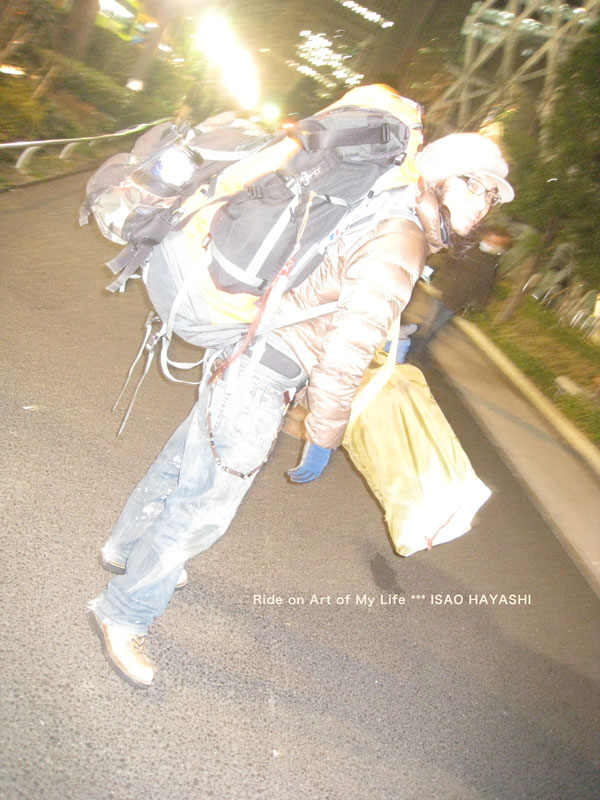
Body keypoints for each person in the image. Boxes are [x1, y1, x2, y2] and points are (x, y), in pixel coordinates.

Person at [88, 130, 514, 687]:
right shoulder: (403, 238)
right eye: (476, 186)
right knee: (204, 508)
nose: (483, 204)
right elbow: (347, 350)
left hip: (244, 352)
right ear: (440, 179)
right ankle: (124, 612)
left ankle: (124, 547)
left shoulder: (386, 206)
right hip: (262, 377)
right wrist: (324, 433)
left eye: (491, 195)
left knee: (181, 465)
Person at [408, 227, 509, 360]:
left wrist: (479, 302)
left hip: (458, 300)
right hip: (445, 292)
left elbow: (485, 284)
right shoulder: (469, 249)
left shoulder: (491, 262)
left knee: (436, 326)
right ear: (486, 237)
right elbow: (448, 260)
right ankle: (413, 347)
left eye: (497, 244)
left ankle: (416, 348)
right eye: (491, 241)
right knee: (430, 323)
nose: (492, 245)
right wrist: (434, 274)